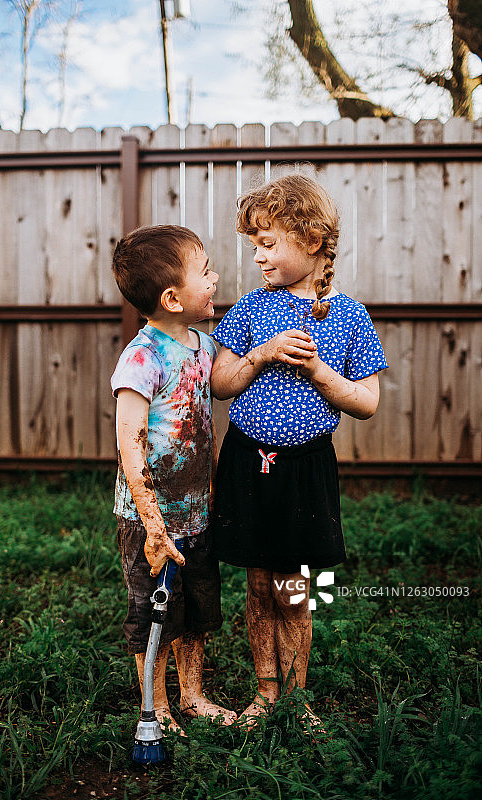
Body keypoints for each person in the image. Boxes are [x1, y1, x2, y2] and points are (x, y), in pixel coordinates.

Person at [210, 174, 388, 728]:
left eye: (268, 244)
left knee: (293, 585)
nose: (258, 257)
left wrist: (315, 368)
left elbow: (366, 402)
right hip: (247, 459)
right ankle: (266, 692)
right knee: (259, 579)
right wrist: (261, 353)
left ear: (310, 239)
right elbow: (220, 383)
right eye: (254, 246)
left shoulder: (350, 316)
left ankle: (297, 694)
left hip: (305, 469)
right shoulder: (249, 310)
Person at [111, 224, 236, 734]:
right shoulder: (141, 358)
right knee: (153, 615)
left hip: (197, 512)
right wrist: (154, 525)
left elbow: (226, 389)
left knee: (198, 609)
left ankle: (192, 695)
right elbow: (129, 445)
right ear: (172, 297)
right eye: (205, 272)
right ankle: (155, 703)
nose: (216, 277)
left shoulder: (203, 347)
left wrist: (265, 354)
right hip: (150, 522)